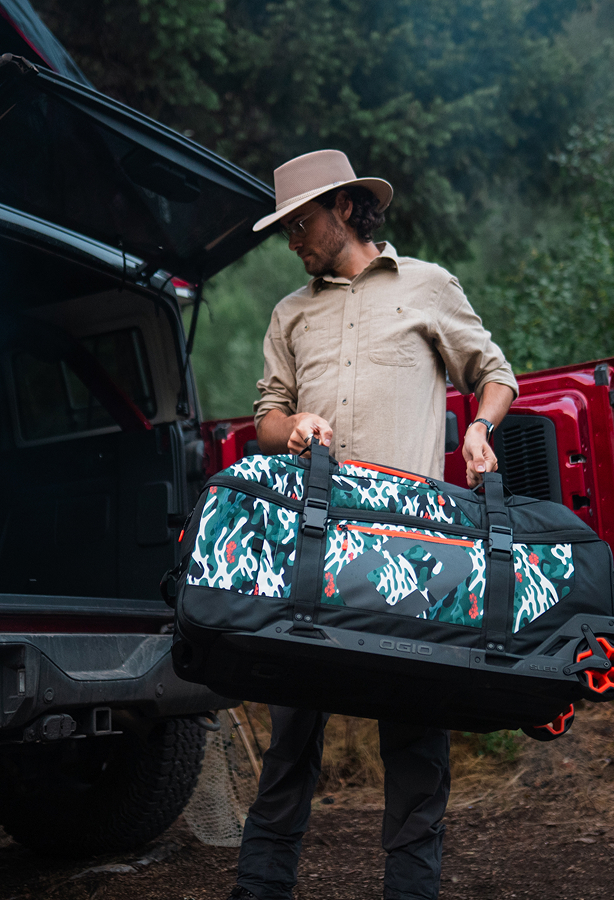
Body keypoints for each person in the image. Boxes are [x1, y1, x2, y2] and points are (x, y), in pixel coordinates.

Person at [225, 149, 519, 900]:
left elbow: (494, 374)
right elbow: (265, 416)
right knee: (291, 735)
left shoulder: (428, 286)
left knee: (415, 738)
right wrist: (292, 426)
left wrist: (479, 427)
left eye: (300, 223)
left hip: (408, 552)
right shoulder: (290, 314)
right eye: (285, 228)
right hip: (313, 548)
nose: (292, 239)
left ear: (347, 208)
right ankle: (260, 890)